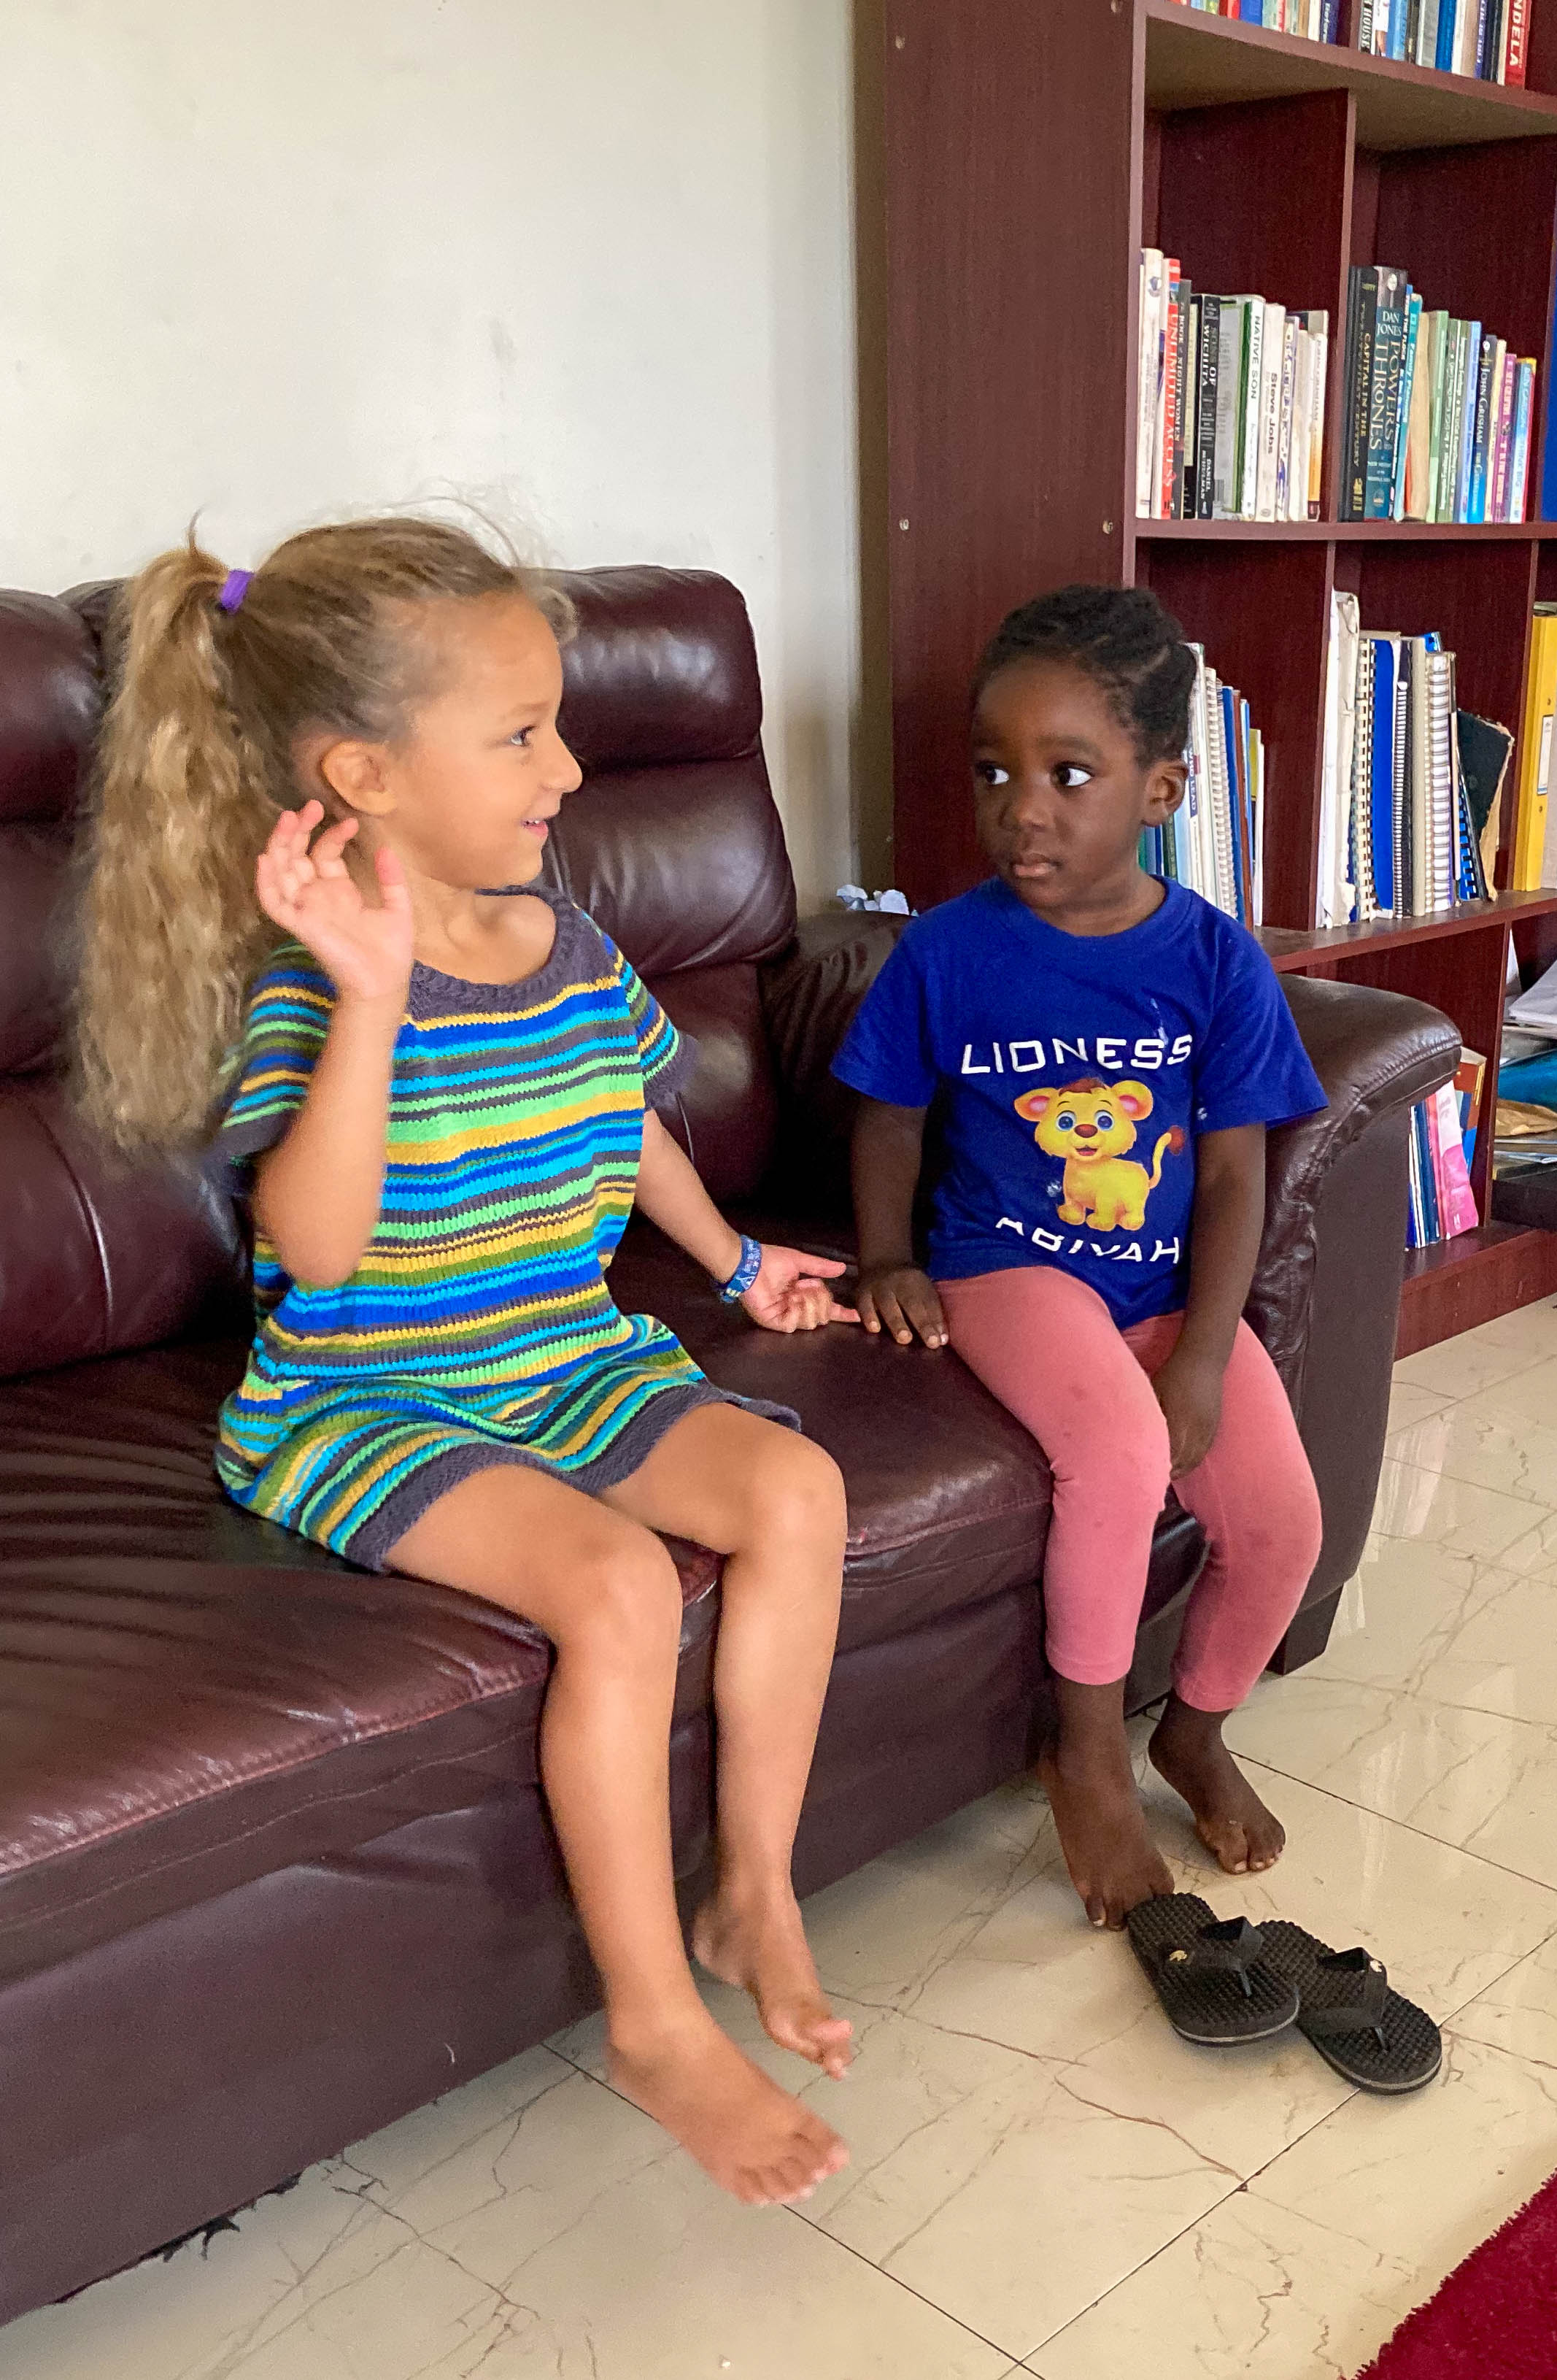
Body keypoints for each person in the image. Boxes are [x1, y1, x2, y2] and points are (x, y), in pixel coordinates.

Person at [74, 520, 858, 2207]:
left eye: (556, 724)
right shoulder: (315, 989)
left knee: (796, 1488)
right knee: (619, 1584)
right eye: (519, 734)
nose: (567, 768)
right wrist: (368, 998)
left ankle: (753, 1889)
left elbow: (631, 1121)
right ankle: (652, 2019)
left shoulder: (566, 941)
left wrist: (737, 1262)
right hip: (367, 1397)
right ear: (363, 773)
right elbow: (318, 1245)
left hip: (562, 1354)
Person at [834, 584, 1327, 1928]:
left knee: (1282, 1520)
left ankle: (1195, 1730)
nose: (1021, 810)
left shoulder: (1216, 962)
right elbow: (889, 1115)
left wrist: (1207, 1355)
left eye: (1067, 774)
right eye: (993, 771)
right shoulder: (947, 950)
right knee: (1114, 1454)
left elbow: (1234, 1174)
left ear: (1159, 788)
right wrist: (884, 1257)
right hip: (1005, 1264)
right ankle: (1089, 1753)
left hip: (1158, 1287)